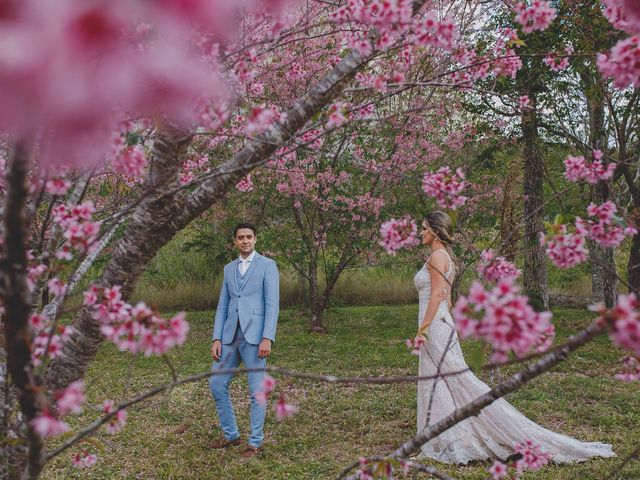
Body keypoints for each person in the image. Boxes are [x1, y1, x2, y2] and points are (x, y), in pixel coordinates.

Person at [414, 211, 615, 464]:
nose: (420, 233)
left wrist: (423, 330)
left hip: (434, 326)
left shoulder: (436, 257)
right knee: (443, 381)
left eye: (423, 228)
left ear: (435, 230)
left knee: (452, 380)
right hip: (442, 324)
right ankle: (444, 433)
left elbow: (435, 297)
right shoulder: (448, 258)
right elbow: (449, 300)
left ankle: (458, 433)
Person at [209, 222, 279, 459]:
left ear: (255, 239)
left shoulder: (268, 266)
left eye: (249, 236)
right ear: (235, 242)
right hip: (229, 336)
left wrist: (267, 337)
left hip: (255, 337)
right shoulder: (229, 269)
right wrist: (216, 337)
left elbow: (272, 304)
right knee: (217, 384)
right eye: (241, 237)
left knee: (256, 391)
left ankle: (255, 442)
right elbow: (223, 305)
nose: (245, 241)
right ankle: (231, 435)